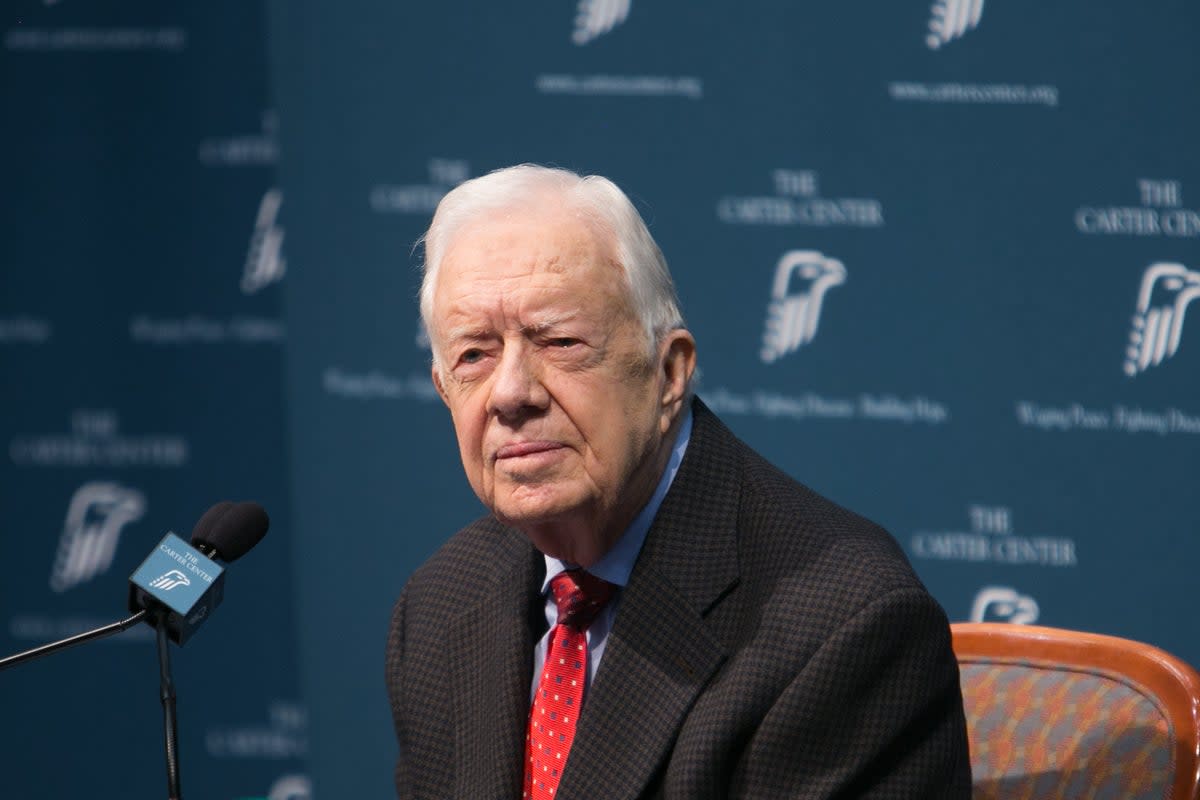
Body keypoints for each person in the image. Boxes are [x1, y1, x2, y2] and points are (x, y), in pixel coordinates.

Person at [386, 164, 971, 799]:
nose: (510, 393)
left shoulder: (842, 627)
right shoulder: (441, 605)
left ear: (669, 374)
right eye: (474, 354)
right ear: (444, 390)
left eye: (558, 342)